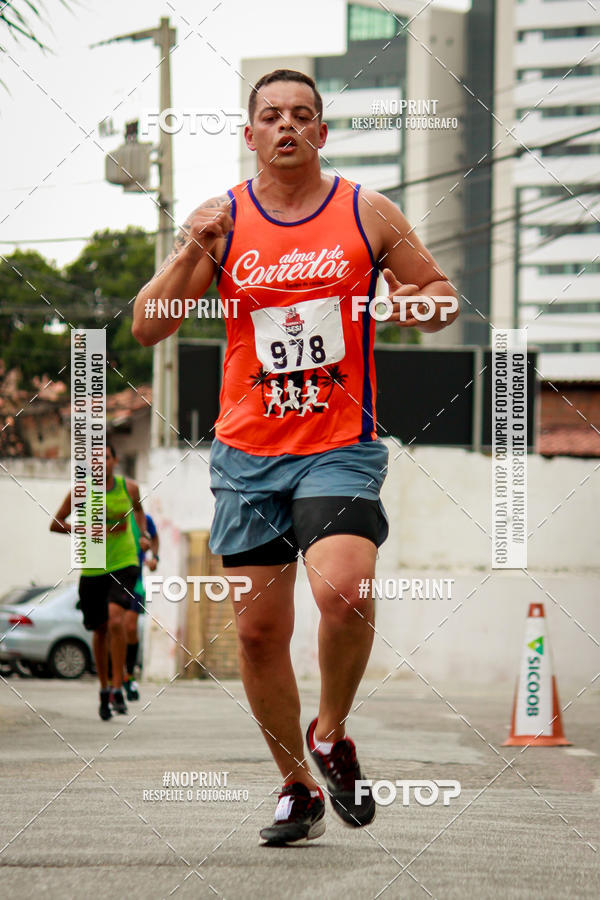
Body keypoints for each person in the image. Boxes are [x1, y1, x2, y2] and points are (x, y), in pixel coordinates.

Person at [133, 69, 459, 844]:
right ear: (249, 136)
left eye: (303, 115)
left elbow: (440, 298)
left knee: (344, 591)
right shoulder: (223, 220)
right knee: (256, 633)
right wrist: (191, 250)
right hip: (247, 453)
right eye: (271, 116)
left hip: (338, 443)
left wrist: (386, 301)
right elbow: (148, 327)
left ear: (322, 131)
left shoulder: (366, 211)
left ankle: (331, 732)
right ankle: (295, 788)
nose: (288, 126)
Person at [51, 444, 150, 720]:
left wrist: (142, 534)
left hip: (124, 561)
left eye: (105, 457)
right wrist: (87, 528)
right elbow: (56, 523)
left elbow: (139, 511)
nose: (100, 463)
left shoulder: (129, 488)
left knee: (117, 621)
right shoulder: (79, 492)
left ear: (115, 460)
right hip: (93, 567)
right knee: (101, 629)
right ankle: (104, 688)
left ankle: (118, 686)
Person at [123, 512, 159, 701]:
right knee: (113, 627)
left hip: (134, 580)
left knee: (130, 628)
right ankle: (114, 679)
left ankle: (129, 677)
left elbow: (155, 537)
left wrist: (154, 557)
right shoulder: (107, 512)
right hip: (110, 577)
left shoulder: (144, 519)